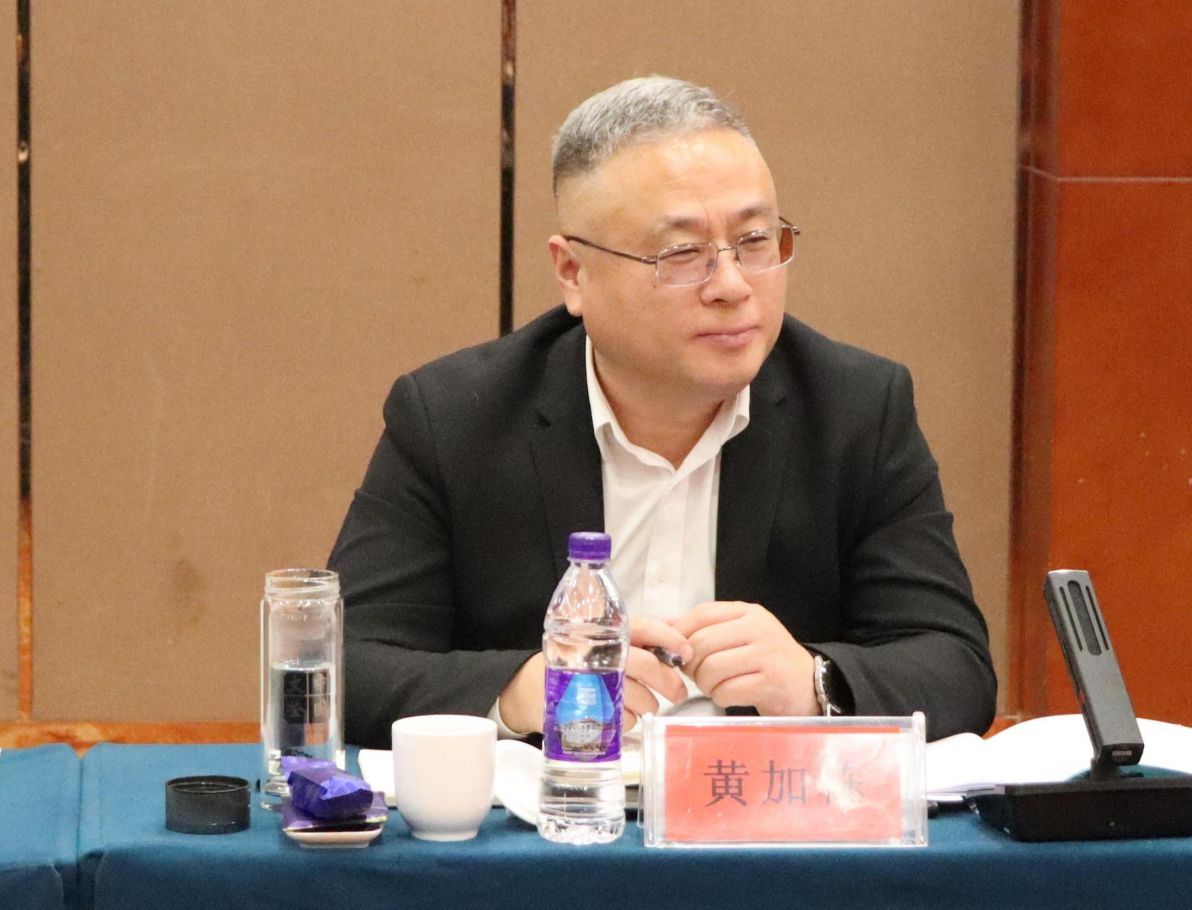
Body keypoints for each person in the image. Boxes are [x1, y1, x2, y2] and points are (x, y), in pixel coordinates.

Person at [329, 75, 996, 748]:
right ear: (573, 273)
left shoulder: (856, 409)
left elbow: (955, 667)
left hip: (761, 808)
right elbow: (347, 665)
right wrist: (524, 690)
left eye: (755, 241)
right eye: (682, 254)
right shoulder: (455, 418)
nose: (732, 286)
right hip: (557, 806)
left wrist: (814, 681)